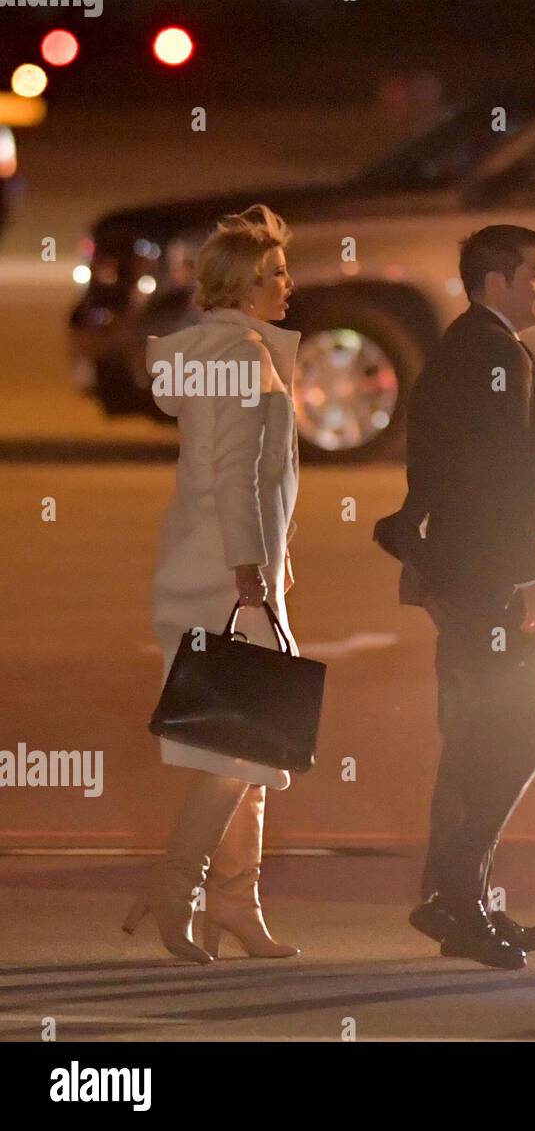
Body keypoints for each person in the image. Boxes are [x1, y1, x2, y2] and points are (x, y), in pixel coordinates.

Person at [374, 225, 535, 970]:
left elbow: (466, 470)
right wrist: (528, 573)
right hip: (490, 585)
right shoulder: (493, 354)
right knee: (516, 736)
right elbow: (495, 476)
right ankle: (457, 896)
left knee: (476, 741)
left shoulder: (465, 346)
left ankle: (463, 902)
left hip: (461, 576)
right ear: (495, 281)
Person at [124, 205, 302, 963]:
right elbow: (237, 480)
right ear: (244, 286)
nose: (288, 285)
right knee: (244, 753)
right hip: (227, 579)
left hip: (218, 568)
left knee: (247, 749)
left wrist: (272, 557)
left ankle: (236, 902)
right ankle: (177, 886)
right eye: (275, 275)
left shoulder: (221, 353)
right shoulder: (246, 360)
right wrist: (253, 570)